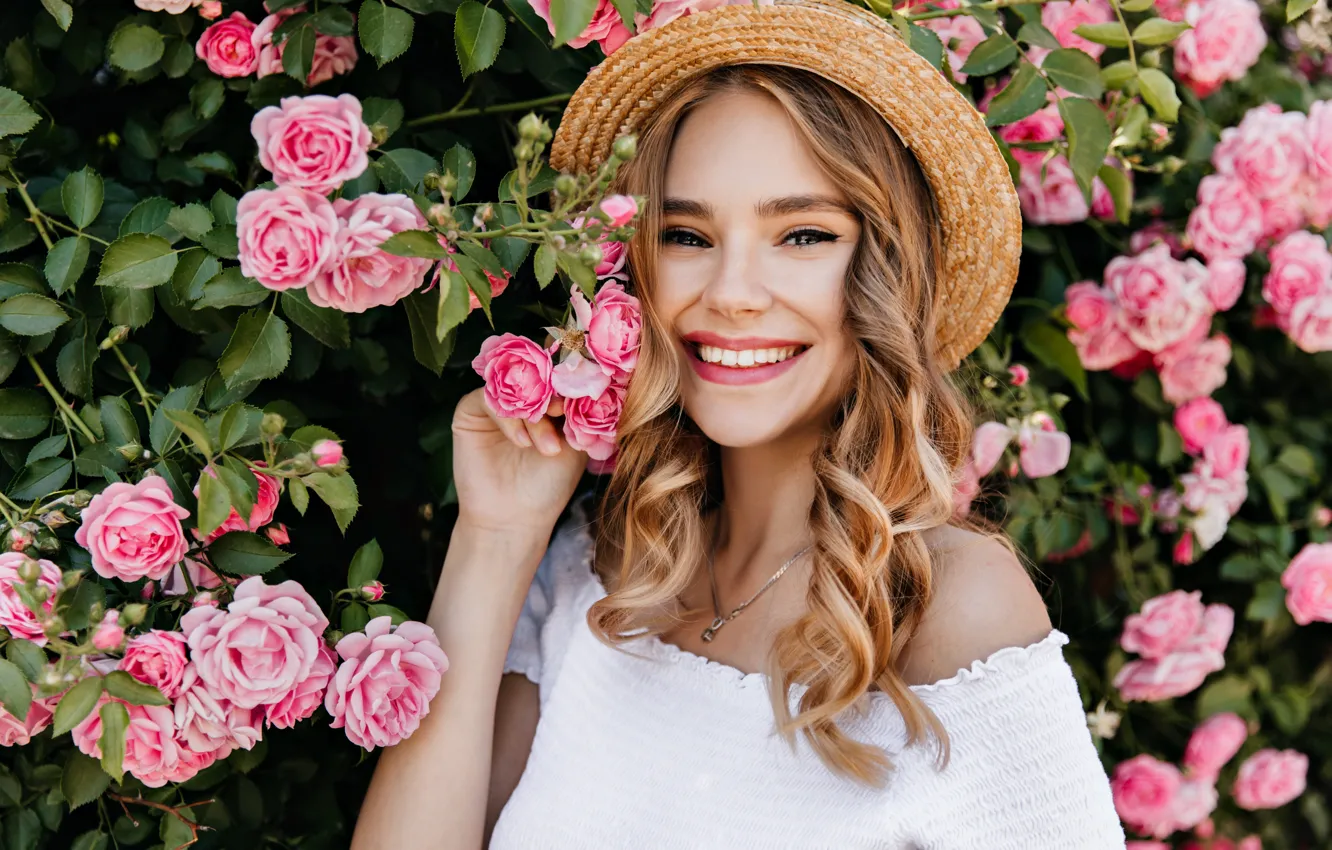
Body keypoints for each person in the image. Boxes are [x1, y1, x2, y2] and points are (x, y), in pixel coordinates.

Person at [352, 0, 1126, 847]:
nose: (730, 292)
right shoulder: (599, 566)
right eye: (687, 233)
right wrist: (497, 537)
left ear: (884, 274)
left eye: (802, 234)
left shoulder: (954, 611)